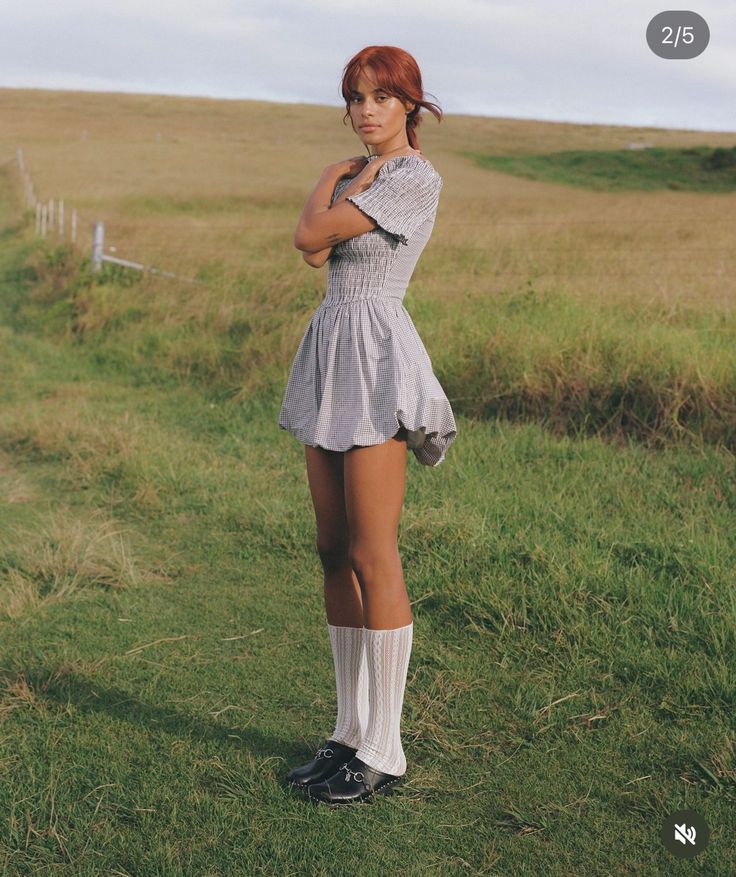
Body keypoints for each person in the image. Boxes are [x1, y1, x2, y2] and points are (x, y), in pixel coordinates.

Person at [279, 45, 457, 806]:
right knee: (328, 549)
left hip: (379, 355)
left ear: (409, 104)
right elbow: (319, 256)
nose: (365, 111)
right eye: (355, 97)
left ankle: (387, 746)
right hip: (329, 350)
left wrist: (326, 183)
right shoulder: (358, 174)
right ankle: (348, 732)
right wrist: (334, 187)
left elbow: (307, 237)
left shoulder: (416, 178)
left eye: (382, 97)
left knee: (370, 549)